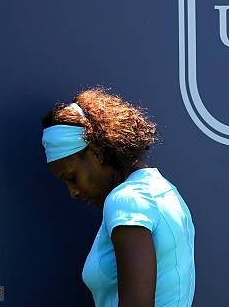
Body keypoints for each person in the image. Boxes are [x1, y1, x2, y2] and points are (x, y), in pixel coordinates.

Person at [41, 88, 195, 307]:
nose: (72, 192)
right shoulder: (165, 190)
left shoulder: (125, 199)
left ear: (96, 152)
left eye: (72, 177)